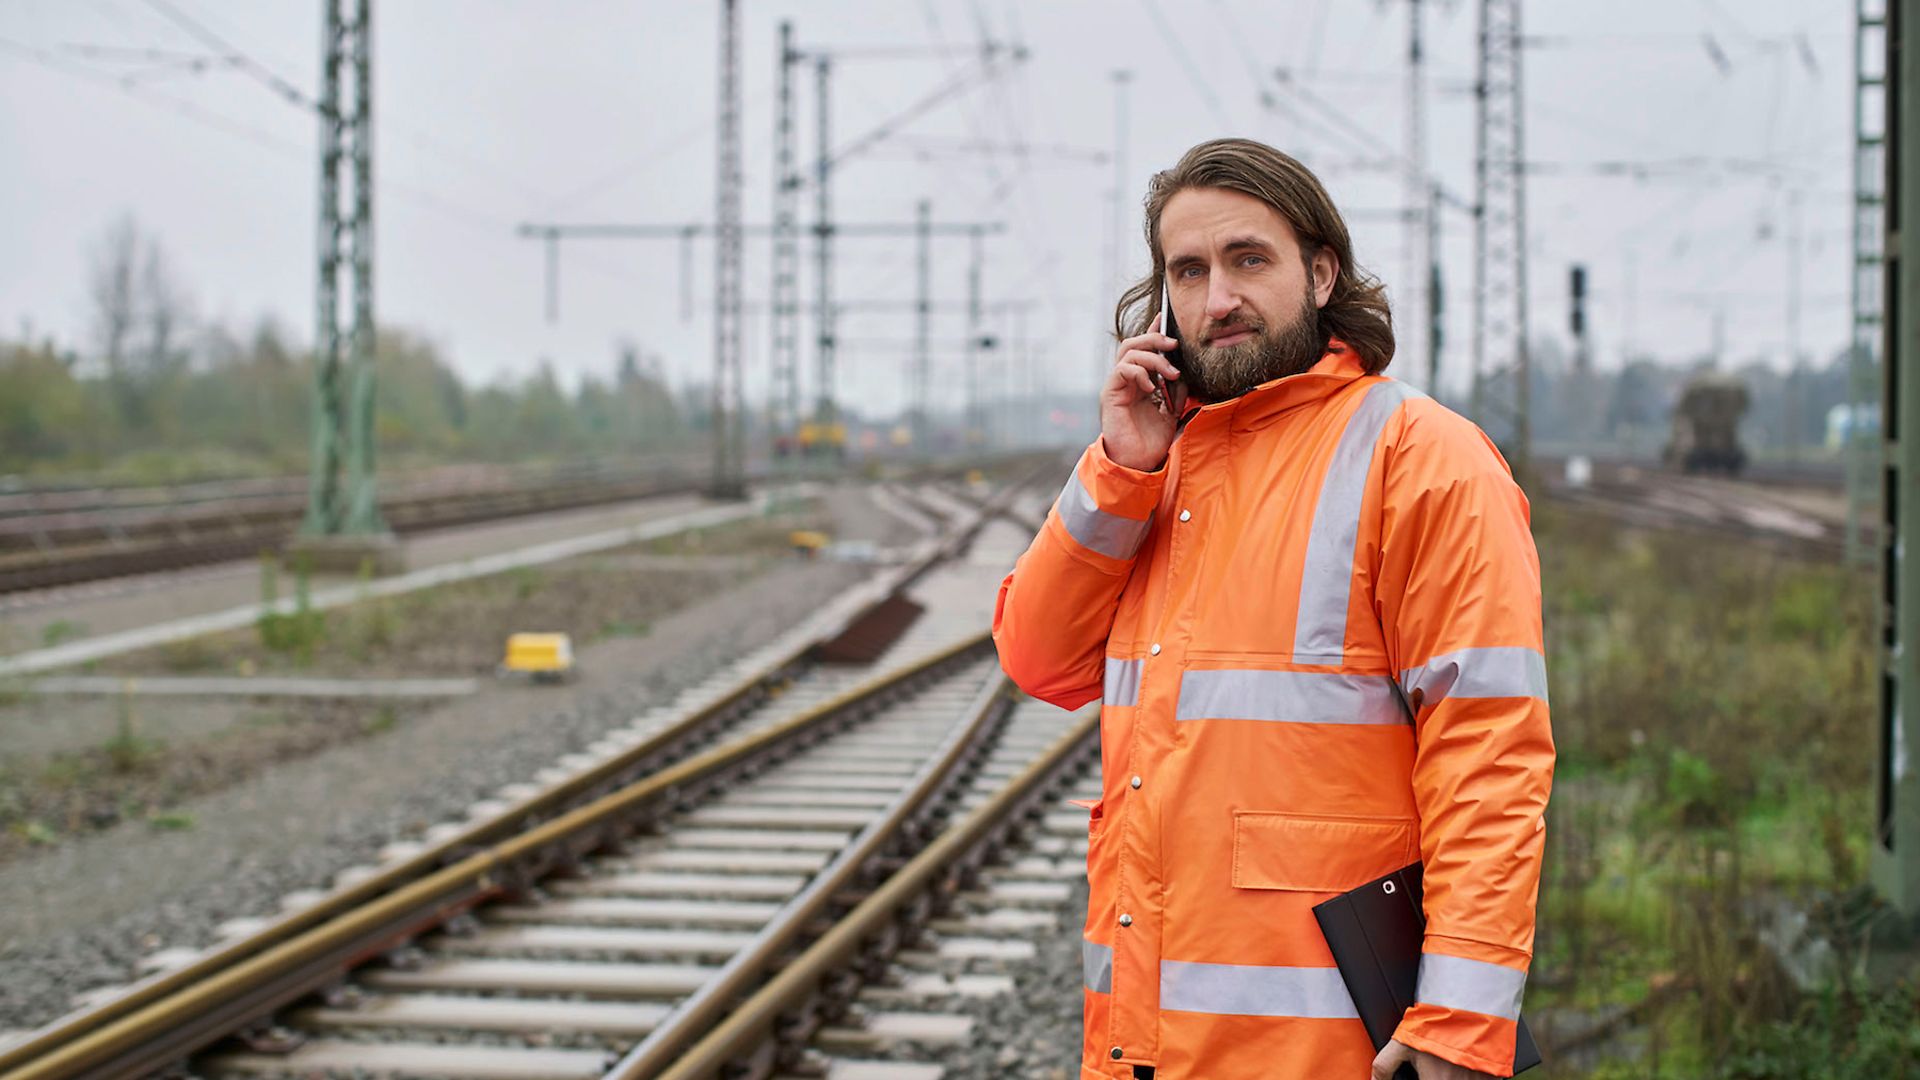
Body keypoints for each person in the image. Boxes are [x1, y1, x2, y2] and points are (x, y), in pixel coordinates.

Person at [992, 138, 1554, 1079]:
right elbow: (1039, 661)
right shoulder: (1156, 471)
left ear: (1322, 272)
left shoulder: (1422, 457)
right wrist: (1119, 470)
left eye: (1249, 259)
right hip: (1145, 1046)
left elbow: (1489, 752)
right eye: (1189, 270)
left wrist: (1460, 1021)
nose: (1218, 299)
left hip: (1329, 1052)